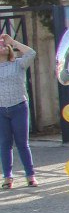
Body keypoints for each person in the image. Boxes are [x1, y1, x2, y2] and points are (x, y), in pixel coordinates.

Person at [0, 32, 37, 189]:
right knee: (4, 144)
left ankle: (30, 176)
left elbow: (32, 53)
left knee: (22, 143)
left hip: (19, 106)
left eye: (4, 45)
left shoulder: (18, 64)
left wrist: (13, 41)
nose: (2, 46)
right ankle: (8, 177)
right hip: (1, 109)